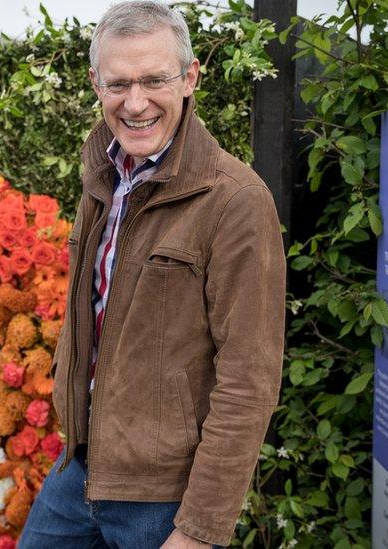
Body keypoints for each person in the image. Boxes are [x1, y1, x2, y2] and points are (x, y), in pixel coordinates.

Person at [19, 1, 286, 547]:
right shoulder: (105, 175)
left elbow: (248, 381)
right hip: (83, 469)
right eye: (118, 83)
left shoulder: (235, 200)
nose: (135, 103)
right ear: (96, 84)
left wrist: (198, 530)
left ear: (189, 78)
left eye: (154, 80)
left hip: (164, 499)